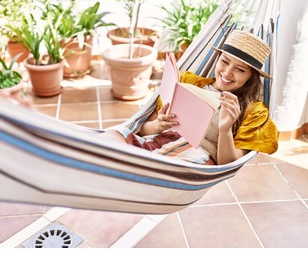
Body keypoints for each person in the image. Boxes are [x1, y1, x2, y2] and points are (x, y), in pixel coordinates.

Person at [102, 30, 279, 165]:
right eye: (224, 61)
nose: (227, 72)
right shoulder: (188, 82)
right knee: (111, 137)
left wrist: (225, 130)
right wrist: (159, 124)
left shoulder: (253, 111)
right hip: (157, 142)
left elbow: (228, 163)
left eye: (240, 69)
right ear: (217, 59)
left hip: (192, 158)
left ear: (251, 76)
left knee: (146, 167)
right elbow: (143, 129)